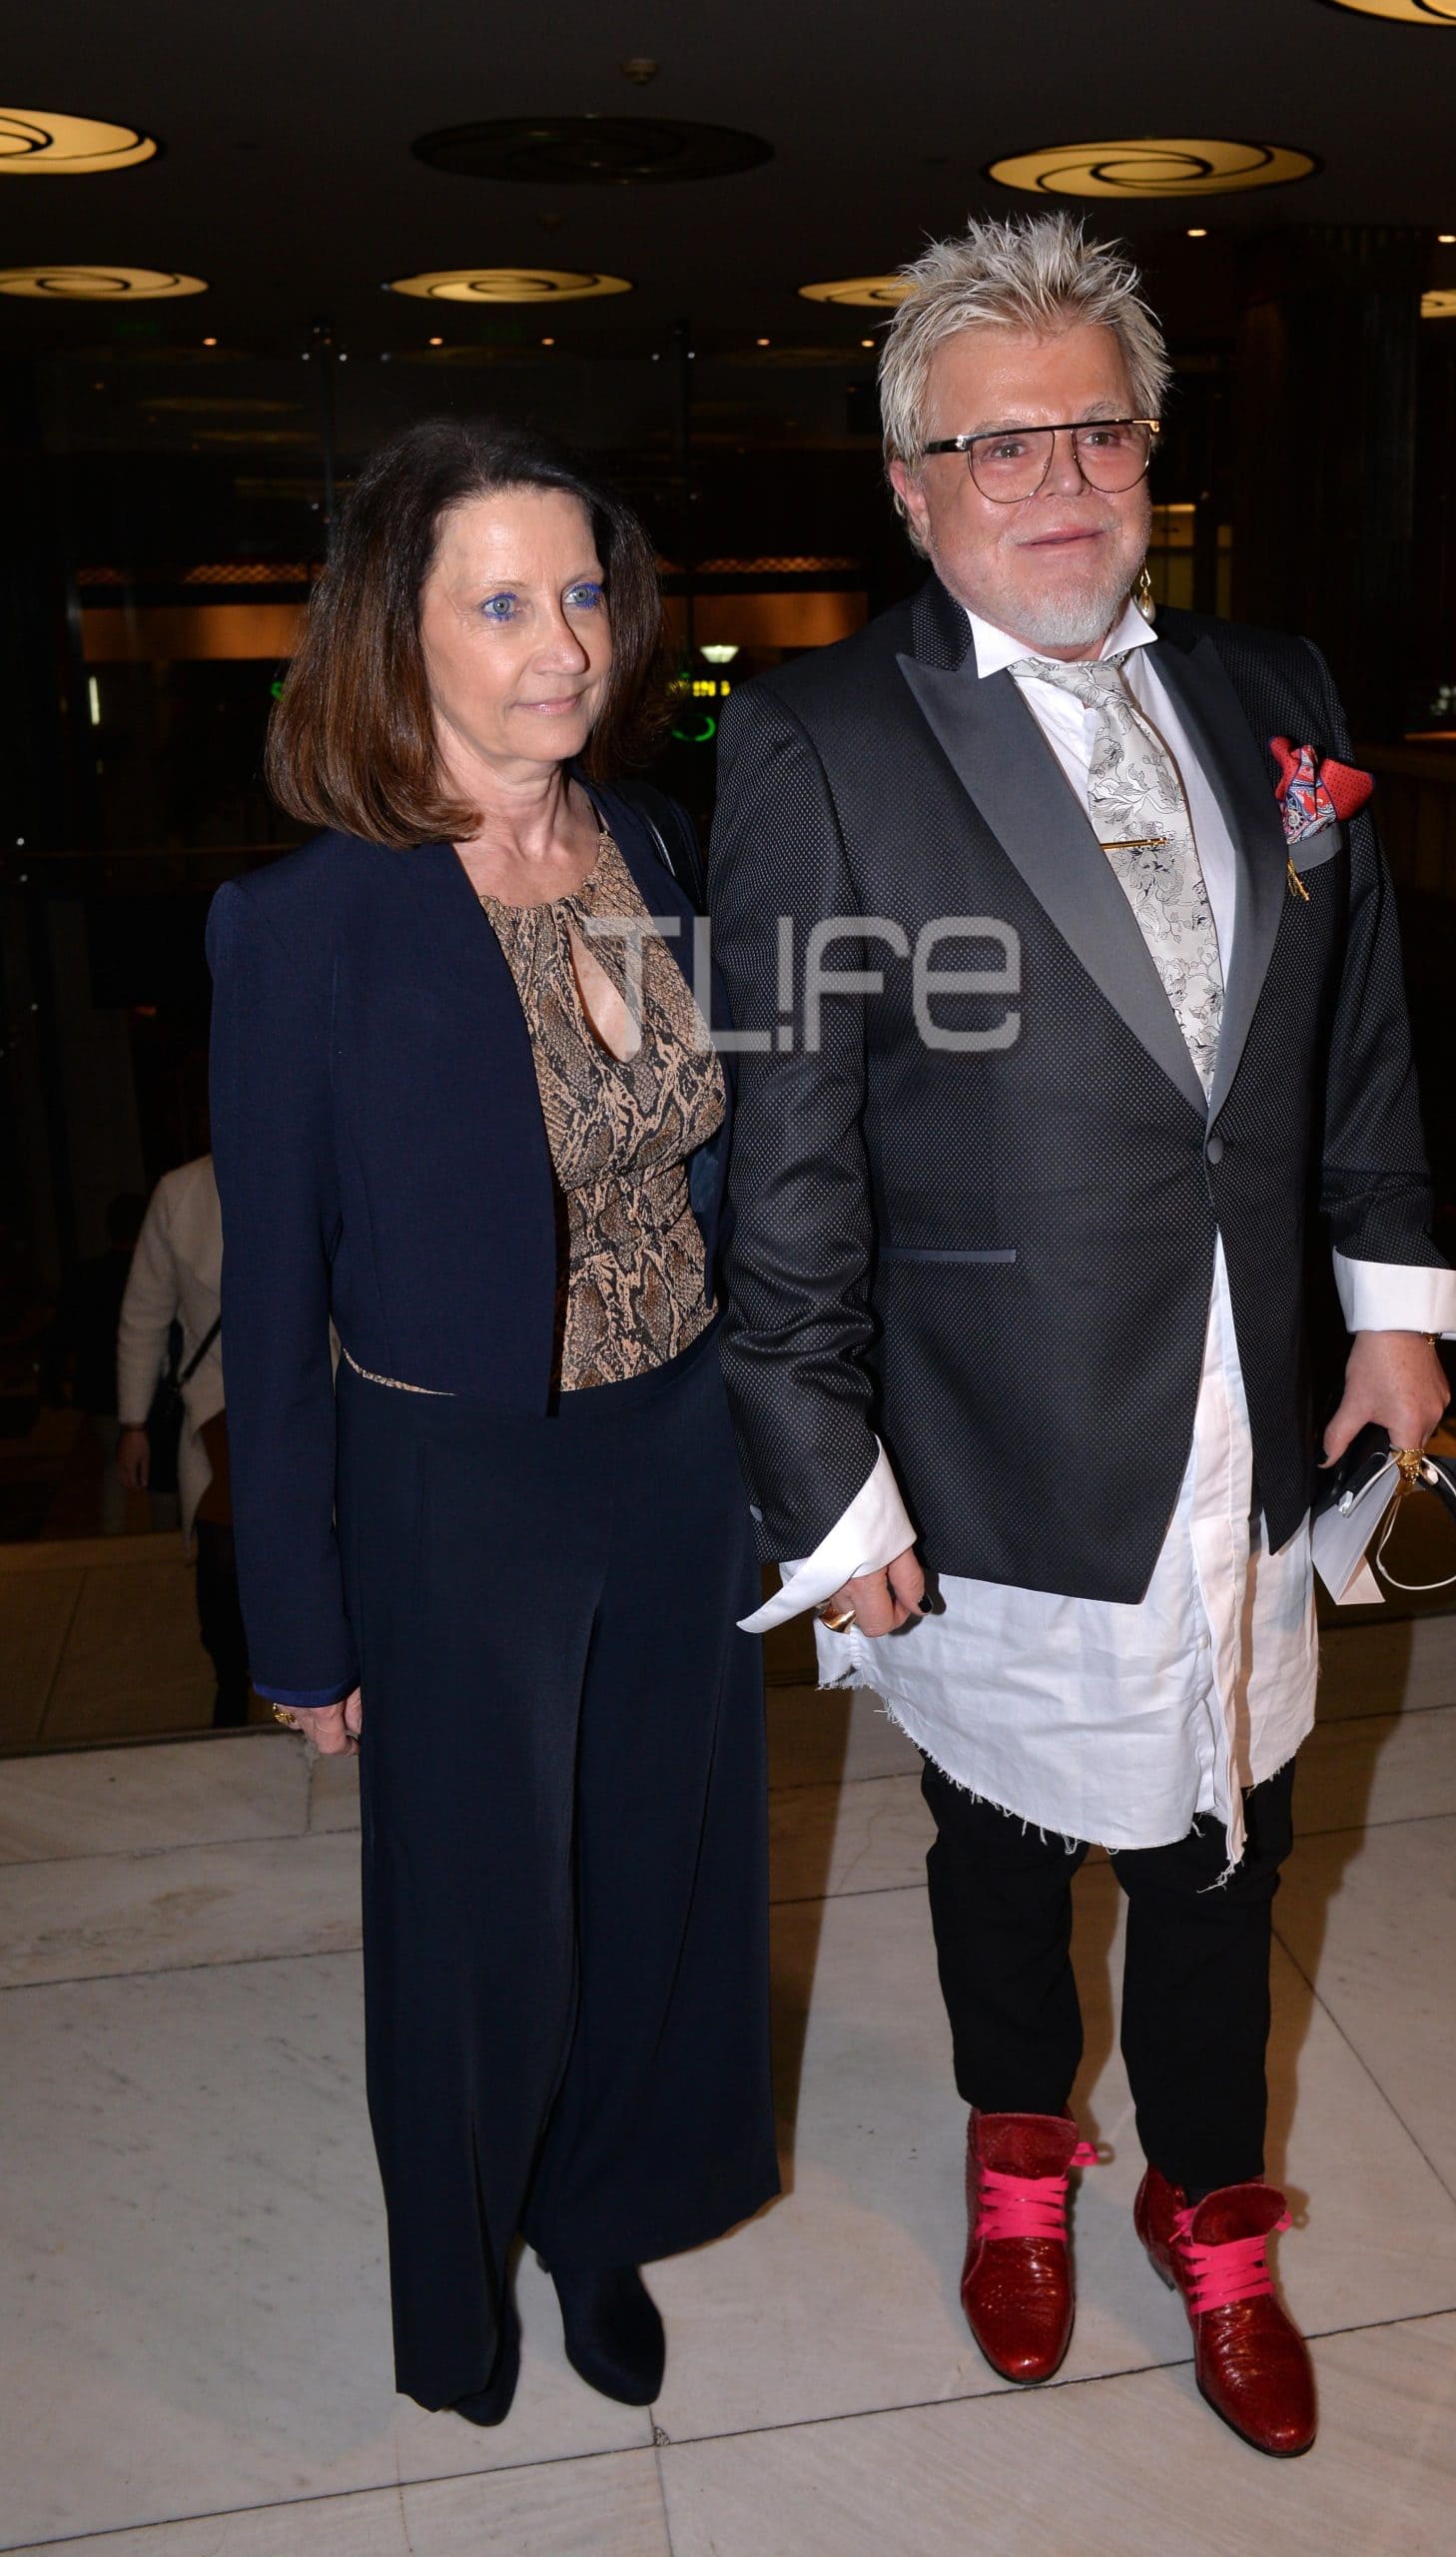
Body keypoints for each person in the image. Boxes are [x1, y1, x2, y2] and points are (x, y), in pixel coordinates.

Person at [710, 214, 1456, 2458]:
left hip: (1256, 1402)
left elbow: (1357, 1035)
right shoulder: (817, 736)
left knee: (1234, 1835)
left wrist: (1397, 1311)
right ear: (911, 483)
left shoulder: (1277, 689)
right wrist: (823, 1471)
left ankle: (1211, 2211)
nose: (1058, 480)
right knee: (999, 1850)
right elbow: (788, 1145)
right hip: (990, 1426)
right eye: (998, 443)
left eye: (1098, 430)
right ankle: (1017, 2157)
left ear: (1151, 451)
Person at [208, 416, 776, 2426]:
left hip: (674, 1448)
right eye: (506, 604)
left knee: (654, 1872)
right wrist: (299, 1624)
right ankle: (456, 2287)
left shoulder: (647, 848)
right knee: (476, 1924)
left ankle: (603, 2214)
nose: (566, 645)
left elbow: (696, 1157)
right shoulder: (310, 923)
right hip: (458, 1480)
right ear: (400, 635)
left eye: (585, 594)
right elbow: (270, 1302)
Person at [114, 1154, 251, 1722]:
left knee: (314, 1552)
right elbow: (144, 1314)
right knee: (222, 1557)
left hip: (313, 1399)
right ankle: (231, 1682)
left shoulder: (314, 1167)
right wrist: (133, 1423)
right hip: (217, 1402)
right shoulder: (180, 1192)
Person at [42, 1193, 146, 1534]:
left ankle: (116, 1533)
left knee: (115, 1463)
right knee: (152, 1469)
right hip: (147, 1389)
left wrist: (52, 1381)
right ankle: (154, 1536)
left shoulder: (85, 1276)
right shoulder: (148, 1276)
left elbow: (60, 1334)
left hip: (100, 1388)